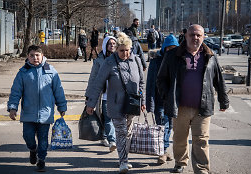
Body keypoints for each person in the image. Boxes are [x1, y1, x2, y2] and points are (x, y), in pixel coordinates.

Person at [157, 24, 229, 174]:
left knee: (201, 140)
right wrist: (167, 97)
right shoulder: (173, 55)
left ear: (203, 37)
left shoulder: (210, 56)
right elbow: (161, 79)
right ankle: (180, 163)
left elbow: (219, 80)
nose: (195, 38)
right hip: (180, 106)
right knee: (179, 139)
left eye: (198, 35)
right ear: (186, 36)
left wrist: (224, 100)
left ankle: (202, 169)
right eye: (192, 35)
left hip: (202, 107)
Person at [86, 32, 146, 174]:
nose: (125, 53)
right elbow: (98, 83)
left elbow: (142, 83)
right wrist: (91, 103)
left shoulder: (136, 60)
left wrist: (142, 101)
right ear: (116, 49)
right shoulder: (109, 62)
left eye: (127, 50)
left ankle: (125, 158)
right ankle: (123, 162)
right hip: (115, 103)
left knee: (129, 133)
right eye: (121, 51)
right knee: (121, 132)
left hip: (132, 104)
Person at [7, 45, 67, 172]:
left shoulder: (51, 71)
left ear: (42, 56)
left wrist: (61, 106)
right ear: (28, 57)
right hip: (28, 112)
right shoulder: (23, 72)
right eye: (32, 55)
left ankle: (42, 160)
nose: (35, 58)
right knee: (28, 136)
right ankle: (32, 149)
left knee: (43, 139)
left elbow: (59, 91)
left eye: (37, 55)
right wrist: (13, 107)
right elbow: (16, 91)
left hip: (46, 113)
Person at [146, 34, 179, 164]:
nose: (171, 51)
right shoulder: (156, 61)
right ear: (164, 48)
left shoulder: (178, 61)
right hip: (160, 100)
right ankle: (162, 152)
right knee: (162, 126)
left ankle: (164, 150)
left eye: (173, 48)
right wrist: (150, 102)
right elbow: (150, 83)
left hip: (172, 101)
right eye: (169, 48)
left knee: (169, 126)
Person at [85, 36, 117, 151]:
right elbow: (93, 78)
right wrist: (89, 96)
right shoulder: (99, 61)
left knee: (110, 118)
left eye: (114, 43)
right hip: (104, 95)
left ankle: (104, 136)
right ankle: (112, 140)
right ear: (105, 45)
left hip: (117, 95)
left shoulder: (119, 58)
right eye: (109, 43)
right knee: (108, 118)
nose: (112, 45)